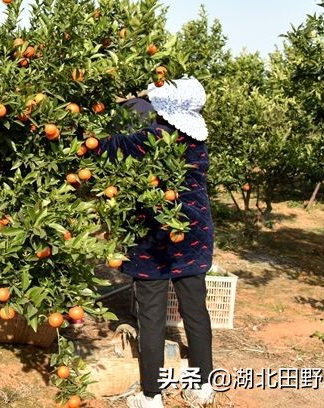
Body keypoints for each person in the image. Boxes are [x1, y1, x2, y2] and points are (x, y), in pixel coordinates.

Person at [97, 77, 215, 408]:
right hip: (194, 235)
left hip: (155, 239)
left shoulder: (151, 137)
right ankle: (203, 386)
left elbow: (107, 145)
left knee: (151, 316)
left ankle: (151, 395)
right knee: (195, 311)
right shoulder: (196, 139)